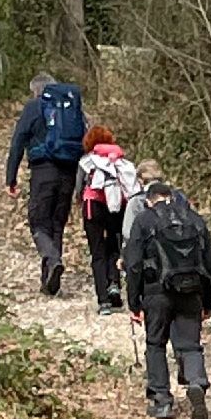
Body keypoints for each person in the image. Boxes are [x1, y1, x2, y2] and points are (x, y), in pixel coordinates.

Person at [122, 164, 211, 419]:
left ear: (149, 200)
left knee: (156, 344)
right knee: (190, 345)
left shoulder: (144, 220)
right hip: (192, 291)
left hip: (156, 292)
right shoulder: (195, 219)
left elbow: (133, 264)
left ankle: (162, 401)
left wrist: (134, 302)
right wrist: (208, 301)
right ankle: (196, 381)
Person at [3, 72, 87, 296]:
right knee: (57, 224)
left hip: (43, 171)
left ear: (36, 90)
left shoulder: (34, 107)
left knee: (39, 222)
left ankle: (52, 259)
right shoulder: (71, 107)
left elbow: (18, 141)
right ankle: (49, 283)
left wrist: (11, 178)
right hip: (68, 171)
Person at [76, 125, 140, 311]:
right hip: (117, 207)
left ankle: (103, 300)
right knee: (114, 247)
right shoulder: (120, 160)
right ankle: (114, 286)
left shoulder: (87, 161)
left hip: (93, 207)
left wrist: (79, 202)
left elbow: (79, 188)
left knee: (97, 252)